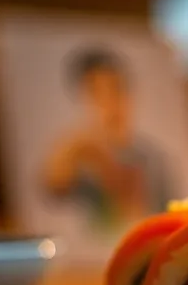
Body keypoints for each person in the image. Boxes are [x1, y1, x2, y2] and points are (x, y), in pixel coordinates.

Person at [43, 48, 172, 231]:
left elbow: (148, 218)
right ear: (83, 99)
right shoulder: (79, 155)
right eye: (97, 93)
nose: (109, 103)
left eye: (116, 89)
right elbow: (54, 186)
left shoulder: (153, 160)